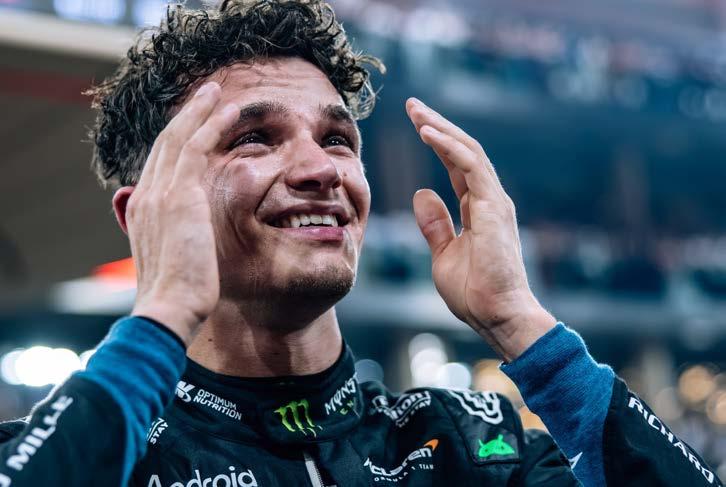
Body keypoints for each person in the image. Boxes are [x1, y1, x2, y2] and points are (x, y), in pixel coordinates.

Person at [0, 1, 721, 486]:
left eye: (337, 139)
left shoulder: (472, 451)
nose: (321, 169)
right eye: (255, 137)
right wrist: (159, 317)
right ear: (144, 214)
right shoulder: (92, 455)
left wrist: (520, 322)